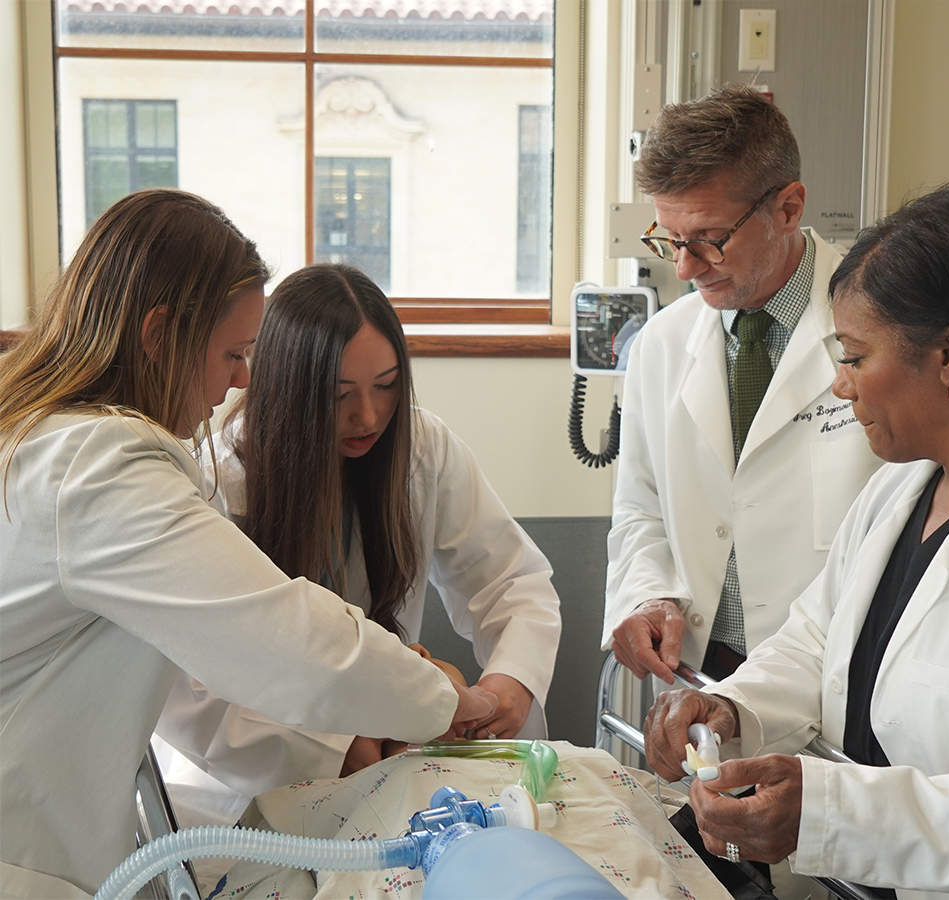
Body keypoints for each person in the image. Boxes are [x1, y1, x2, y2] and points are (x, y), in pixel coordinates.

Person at [0, 189, 494, 898]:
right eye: (232, 352)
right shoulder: (102, 465)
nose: (239, 377)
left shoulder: (41, 435)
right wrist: (449, 700)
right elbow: (287, 639)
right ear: (158, 332)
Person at [640, 181, 949, 900]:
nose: (841, 387)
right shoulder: (900, 492)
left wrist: (837, 815)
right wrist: (732, 710)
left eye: (856, 357)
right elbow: (816, 640)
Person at [157, 263, 563, 802]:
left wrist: (511, 682)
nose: (368, 415)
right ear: (285, 390)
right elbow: (191, 693)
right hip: (249, 780)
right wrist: (334, 744)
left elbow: (509, 582)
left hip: (394, 751)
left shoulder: (421, 449)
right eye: (339, 394)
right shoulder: (217, 484)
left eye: (387, 386)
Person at [605, 85, 882, 684]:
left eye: (709, 238)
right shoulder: (662, 343)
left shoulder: (883, 333)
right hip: (706, 666)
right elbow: (640, 506)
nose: (684, 266)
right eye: (670, 239)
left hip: (841, 670)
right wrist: (645, 594)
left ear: (787, 208)